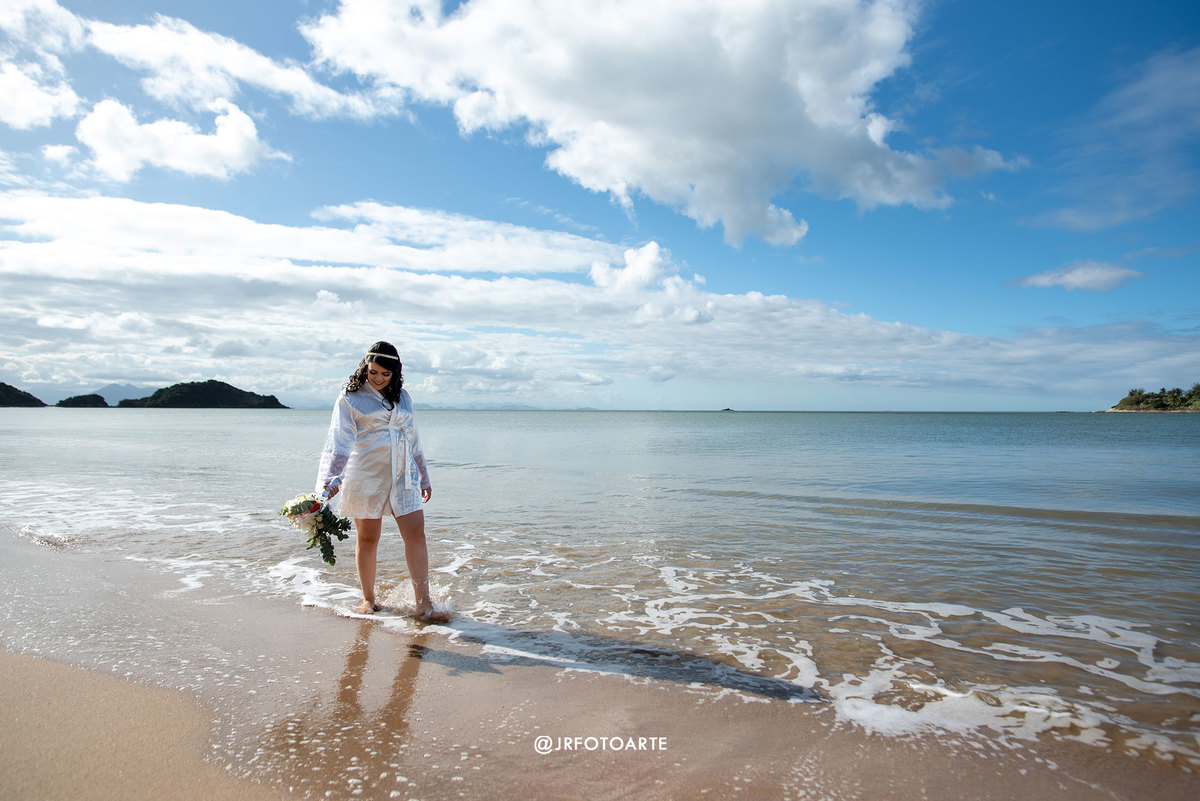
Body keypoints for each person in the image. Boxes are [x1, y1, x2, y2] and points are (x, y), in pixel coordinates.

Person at [316, 341, 448, 621]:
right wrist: (329, 482)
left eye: (385, 374)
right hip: (367, 473)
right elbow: (339, 442)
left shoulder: (404, 397)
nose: (377, 378)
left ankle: (424, 604)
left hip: (404, 474)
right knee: (368, 537)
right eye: (373, 371)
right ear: (365, 366)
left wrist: (423, 475)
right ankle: (369, 599)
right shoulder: (350, 397)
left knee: (416, 534)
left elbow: (413, 436)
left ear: (395, 373)